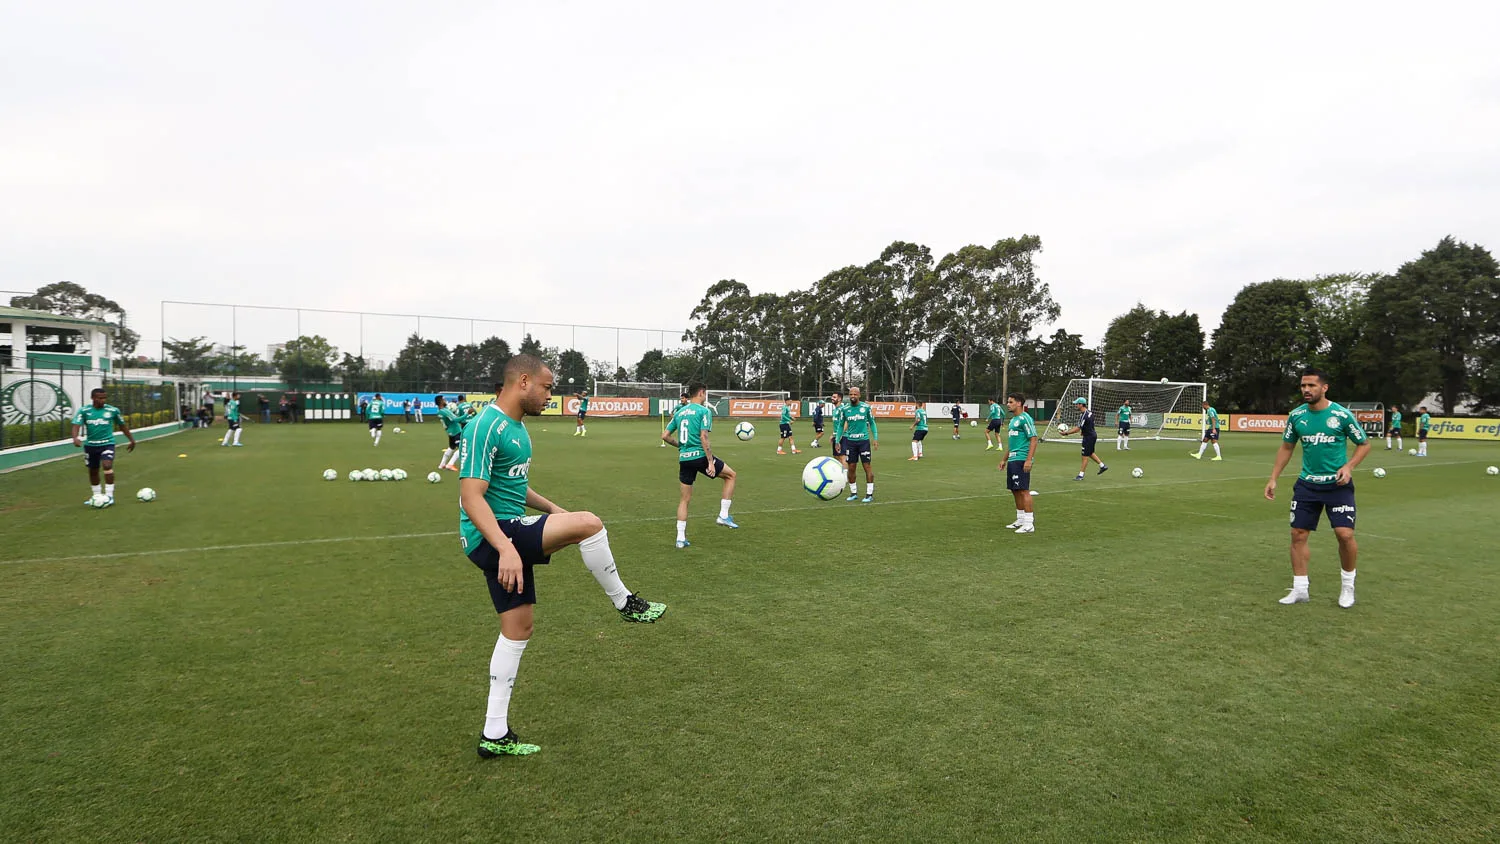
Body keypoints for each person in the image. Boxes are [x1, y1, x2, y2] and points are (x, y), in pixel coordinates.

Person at [461, 355, 666, 759]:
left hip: (505, 531)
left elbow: (514, 485)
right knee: (590, 524)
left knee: (517, 630)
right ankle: (625, 603)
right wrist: (505, 547)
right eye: (548, 387)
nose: (551, 396)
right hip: (495, 535)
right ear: (523, 381)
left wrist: (553, 510)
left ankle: (494, 734)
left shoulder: (516, 428)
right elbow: (470, 496)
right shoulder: (485, 425)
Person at [1264, 368, 1371, 608]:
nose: (1306, 390)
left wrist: (1349, 466)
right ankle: (1300, 589)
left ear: (1324, 388)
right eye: (1303, 386)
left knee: (1345, 534)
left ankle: (1347, 587)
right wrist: (1273, 478)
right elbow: (1287, 447)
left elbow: (1364, 444)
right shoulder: (1296, 416)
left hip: (1337, 485)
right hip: (1307, 485)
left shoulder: (1341, 415)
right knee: (1297, 535)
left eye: (1311, 385)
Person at [660, 382, 738, 548]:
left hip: (684, 459)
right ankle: (723, 515)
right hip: (700, 457)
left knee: (684, 499)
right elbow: (704, 437)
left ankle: (680, 538)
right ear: (701, 393)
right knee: (731, 475)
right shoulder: (704, 411)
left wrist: (680, 446)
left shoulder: (680, 412)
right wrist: (710, 461)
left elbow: (665, 436)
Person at [71, 387, 136, 506]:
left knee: (107, 465)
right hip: (91, 445)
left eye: (104, 398)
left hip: (107, 443)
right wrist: (75, 437)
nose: (103, 400)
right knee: (93, 470)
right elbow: (76, 425)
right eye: (100, 398)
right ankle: (96, 496)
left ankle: (109, 496)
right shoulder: (84, 411)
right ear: (93, 398)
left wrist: (131, 440)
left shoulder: (112, 410)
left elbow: (122, 425)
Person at [1001, 393, 1039, 533]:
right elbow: (1012, 444)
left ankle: (1029, 524)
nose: (1008, 404)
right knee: (1015, 489)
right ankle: (1021, 519)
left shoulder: (1025, 418)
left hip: (1022, 459)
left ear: (1018, 403)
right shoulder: (1013, 420)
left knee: (1023, 490)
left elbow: (1034, 439)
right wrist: (1004, 459)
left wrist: (1029, 459)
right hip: (1012, 459)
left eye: (1010, 402)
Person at [837, 387, 878, 502]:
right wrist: (837, 441)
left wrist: (875, 438)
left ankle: (869, 494)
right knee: (851, 467)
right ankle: (853, 492)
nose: (853, 396)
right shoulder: (845, 409)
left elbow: (872, 423)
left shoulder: (865, 407)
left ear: (859, 395)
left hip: (863, 442)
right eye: (851, 394)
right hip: (850, 442)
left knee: (867, 466)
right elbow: (841, 426)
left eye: (855, 394)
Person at [1054, 397, 1106, 480]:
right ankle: (1102, 466)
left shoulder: (1084, 415)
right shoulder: (1089, 413)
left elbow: (1077, 429)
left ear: (1081, 404)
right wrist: (1084, 431)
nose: (1076, 405)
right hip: (1092, 435)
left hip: (1088, 437)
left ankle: (1080, 475)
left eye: (1077, 404)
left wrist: (1066, 433)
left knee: (1084, 456)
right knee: (1090, 453)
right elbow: (1089, 424)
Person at [436, 395, 464, 471]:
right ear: (441, 402)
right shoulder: (445, 411)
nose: (445, 401)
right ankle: (450, 464)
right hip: (456, 431)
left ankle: (442, 464)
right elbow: (456, 419)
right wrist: (467, 414)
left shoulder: (439, 412)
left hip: (450, 432)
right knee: (462, 448)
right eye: (444, 400)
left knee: (452, 447)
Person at [828, 392, 845, 460]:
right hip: (836, 435)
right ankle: (840, 470)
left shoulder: (842, 409)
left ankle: (845, 471)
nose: (832, 398)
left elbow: (845, 424)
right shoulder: (835, 410)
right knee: (836, 456)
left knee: (842, 457)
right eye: (832, 397)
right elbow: (837, 424)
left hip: (842, 436)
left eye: (834, 397)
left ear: (840, 399)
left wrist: (840, 436)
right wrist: (833, 434)